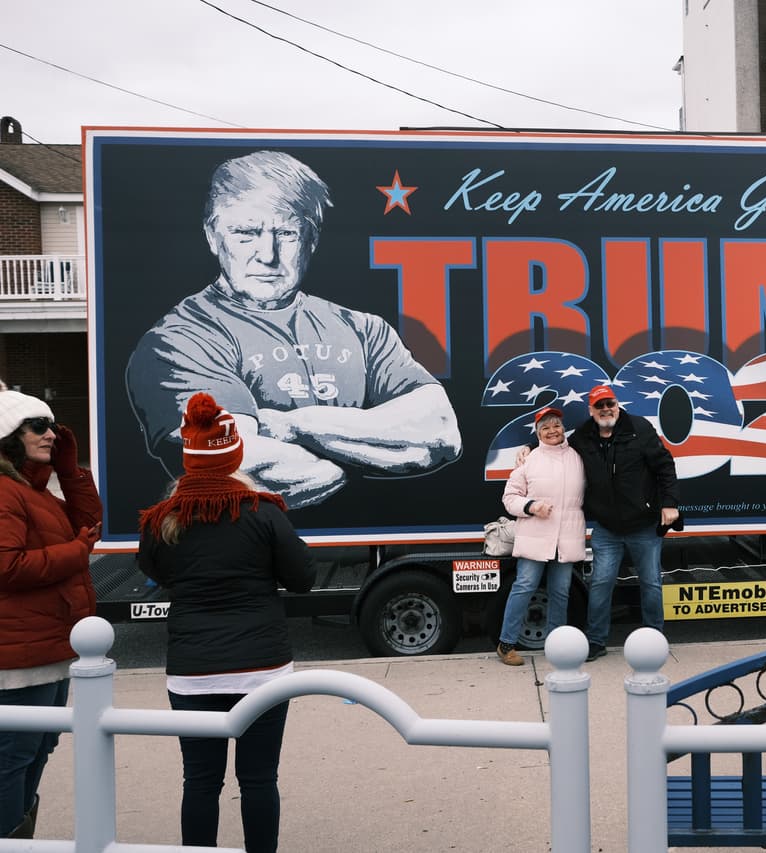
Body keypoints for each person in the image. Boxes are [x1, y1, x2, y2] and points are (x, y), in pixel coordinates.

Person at [126, 149, 461, 511]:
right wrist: (377, 441)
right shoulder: (178, 341)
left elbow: (442, 433)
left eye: (286, 233)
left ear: (311, 240)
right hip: (248, 541)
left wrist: (297, 425)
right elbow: (245, 466)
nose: (267, 255)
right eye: (246, 233)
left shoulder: (364, 328)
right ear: (212, 236)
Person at [137, 392, 315, 852]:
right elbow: (302, 580)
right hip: (262, 670)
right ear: (234, 456)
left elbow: (155, 571)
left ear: (189, 460)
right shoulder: (264, 511)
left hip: (193, 672)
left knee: (199, 780)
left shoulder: (162, 519)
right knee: (259, 780)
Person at [0, 390, 101, 841]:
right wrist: (76, 551)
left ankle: (18, 841)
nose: (51, 435)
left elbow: (89, 523)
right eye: (38, 426)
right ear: (8, 436)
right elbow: (7, 566)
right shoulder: (5, 491)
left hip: (49, 649)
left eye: (53, 427)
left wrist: (68, 470)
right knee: (14, 758)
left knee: (35, 751)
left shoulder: (31, 490)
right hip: (20, 660)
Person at [571, 385, 679, 662]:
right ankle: (596, 641)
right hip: (607, 527)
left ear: (617, 405)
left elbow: (665, 466)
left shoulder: (639, 428)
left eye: (610, 404)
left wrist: (669, 503)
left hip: (644, 525)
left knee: (651, 583)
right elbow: (557, 448)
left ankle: (654, 639)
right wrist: (529, 448)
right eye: (600, 405)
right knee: (600, 583)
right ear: (591, 410)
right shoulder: (583, 435)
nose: (606, 409)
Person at [494, 407, 586, 666]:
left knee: (561, 592)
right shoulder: (529, 460)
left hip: (567, 538)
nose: (552, 431)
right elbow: (509, 498)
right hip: (535, 536)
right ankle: (506, 644)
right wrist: (532, 506)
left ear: (563, 428)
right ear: (537, 433)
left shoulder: (578, 457)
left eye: (556, 425)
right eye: (545, 428)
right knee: (524, 587)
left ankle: (557, 646)